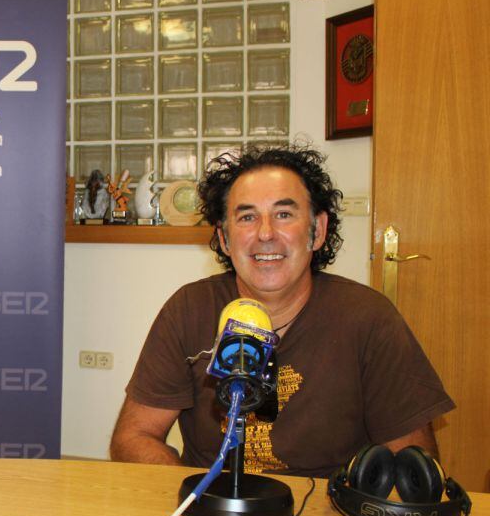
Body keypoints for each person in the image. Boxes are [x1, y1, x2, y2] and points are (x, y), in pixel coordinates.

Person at [109, 144, 454, 477]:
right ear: (225, 239)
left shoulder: (369, 318)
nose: (265, 233)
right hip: (212, 509)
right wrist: (190, 492)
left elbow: (413, 464)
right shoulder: (188, 310)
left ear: (317, 230)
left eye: (284, 214)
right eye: (247, 217)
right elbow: (133, 438)